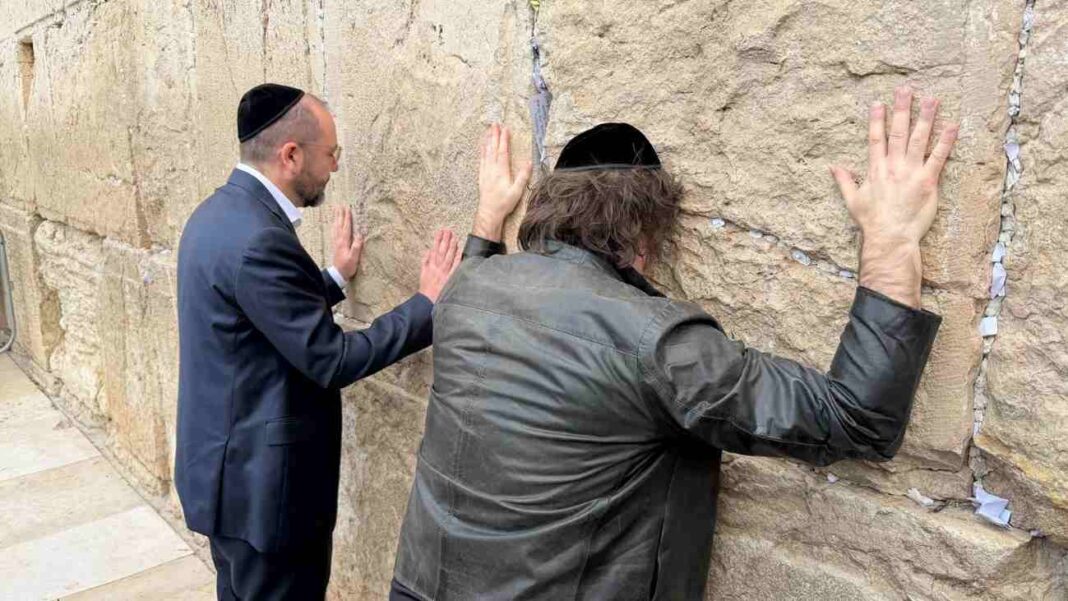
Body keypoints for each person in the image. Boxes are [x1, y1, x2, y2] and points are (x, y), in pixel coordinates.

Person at [390, 87, 958, 600]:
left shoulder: (465, 289)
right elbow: (855, 417)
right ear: (644, 233)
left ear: (545, 212)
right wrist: (890, 239)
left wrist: (488, 217)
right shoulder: (654, 340)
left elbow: (475, 277)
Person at [175, 83, 461, 600]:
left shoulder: (214, 216)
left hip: (225, 482)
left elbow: (252, 314)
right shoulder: (260, 238)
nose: (333, 167)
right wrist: (425, 306)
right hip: (265, 497)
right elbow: (330, 358)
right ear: (291, 154)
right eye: (331, 154)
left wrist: (330, 277)